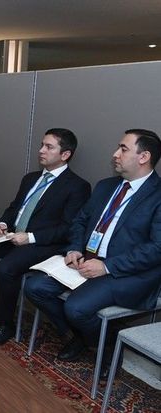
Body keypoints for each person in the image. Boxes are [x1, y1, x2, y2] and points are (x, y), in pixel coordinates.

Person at [24, 129, 161, 366]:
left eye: (123, 149)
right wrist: (75, 248)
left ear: (144, 156)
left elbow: (157, 248)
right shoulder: (106, 186)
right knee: (35, 287)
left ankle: (109, 347)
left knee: (76, 308)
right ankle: (79, 336)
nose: (115, 154)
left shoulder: (157, 196)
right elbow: (80, 221)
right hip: (86, 260)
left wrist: (107, 266)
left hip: (125, 272)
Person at [0, 128, 90, 345]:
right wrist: (3, 223)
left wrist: (31, 237)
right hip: (12, 236)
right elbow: (14, 208)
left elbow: (68, 228)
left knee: (5, 268)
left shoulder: (77, 186)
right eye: (42, 145)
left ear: (65, 154)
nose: (41, 150)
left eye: (49, 147)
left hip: (42, 244)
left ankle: (4, 324)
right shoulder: (31, 178)